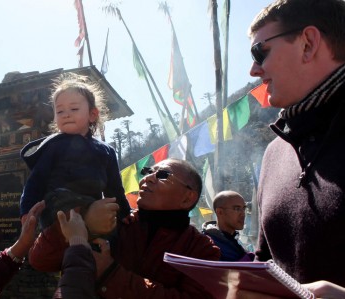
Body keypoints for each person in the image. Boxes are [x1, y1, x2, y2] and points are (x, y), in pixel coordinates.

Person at [229, 0, 345, 297]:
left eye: (260, 52)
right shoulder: (275, 153)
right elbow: (265, 261)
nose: (253, 70)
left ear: (308, 43)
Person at [19, 72, 130, 272]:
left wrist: (124, 216)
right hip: (59, 206)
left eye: (74, 108)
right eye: (60, 111)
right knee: (66, 202)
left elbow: (116, 190)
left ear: (92, 114)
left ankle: (101, 248)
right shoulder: (53, 145)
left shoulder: (106, 151)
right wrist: (27, 212)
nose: (66, 114)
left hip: (92, 203)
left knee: (110, 216)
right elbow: (36, 181)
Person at [89, 158, 220, 299]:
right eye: (147, 172)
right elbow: (63, 260)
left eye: (163, 175)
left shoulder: (201, 249)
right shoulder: (116, 222)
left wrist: (110, 274)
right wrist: (87, 223)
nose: (148, 178)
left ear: (187, 198)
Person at [202, 191, 253, 261]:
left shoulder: (230, 239)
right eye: (237, 209)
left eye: (244, 209)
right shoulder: (211, 245)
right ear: (220, 212)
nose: (243, 214)